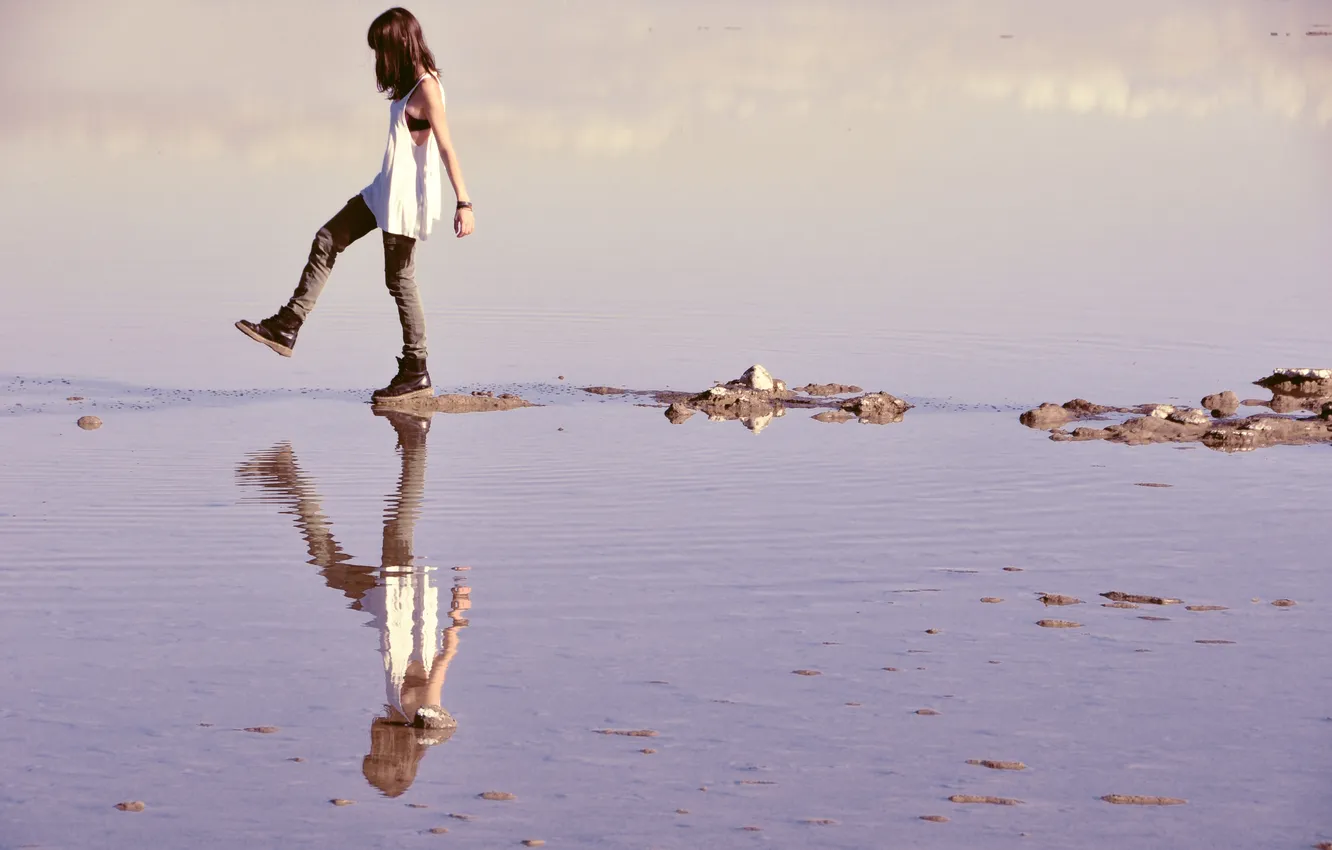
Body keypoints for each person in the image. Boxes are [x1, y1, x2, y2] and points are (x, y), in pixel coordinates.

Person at [235, 7, 473, 402]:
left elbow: (447, 146)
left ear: (400, 42)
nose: (378, 58)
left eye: (381, 48)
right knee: (327, 238)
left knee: (399, 280)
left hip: (404, 201)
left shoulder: (427, 88)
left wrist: (464, 202)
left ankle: (417, 369)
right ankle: (287, 325)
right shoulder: (407, 84)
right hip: (384, 190)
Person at [236, 408, 470, 797]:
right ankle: (417, 442)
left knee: (331, 563)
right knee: (396, 527)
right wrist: (458, 612)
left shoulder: (403, 715)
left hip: (386, 611)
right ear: (389, 754)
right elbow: (441, 663)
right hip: (402, 605)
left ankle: (286, 474)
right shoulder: (420, 715)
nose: (370, 745)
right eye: (374, 754)